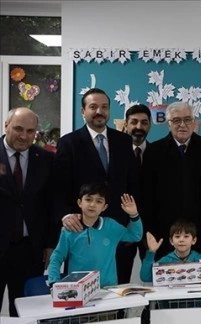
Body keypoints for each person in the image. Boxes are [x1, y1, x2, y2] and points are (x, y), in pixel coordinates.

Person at [46, 182, 141, 324]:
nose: (92, 205)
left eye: (99, 201)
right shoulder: (70, 228)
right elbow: (57, 257)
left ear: (105, 207)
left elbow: (135, 235)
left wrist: (134, 215)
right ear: (79, 202)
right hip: (79, 295)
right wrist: (54, 283)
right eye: (88, 199)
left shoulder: (111, 226)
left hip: (107, 295)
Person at [53, 88, 139, 284]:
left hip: (118, 230)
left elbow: (133, 184)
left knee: (119, 289)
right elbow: (59, 187)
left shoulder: (124, 141)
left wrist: (131, 219)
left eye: (104, 107)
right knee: (81, 291)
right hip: (82, 232)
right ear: (83, 111)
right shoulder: (69, 143)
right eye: (93, 107)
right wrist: (65, 215)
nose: (99, 111)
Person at [142, 102, 201, 260]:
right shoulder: (154, 151)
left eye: (187, 119)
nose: (182, 125)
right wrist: (149, 233)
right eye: (176, 120)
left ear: (194, 122)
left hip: (200, 234)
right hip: (164, 234)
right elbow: (147, 197)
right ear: (168, 124)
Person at [1, 108, 55, 318]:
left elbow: (51, 204)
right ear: (6, 126)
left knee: (26, 313)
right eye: (18, 129)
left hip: (30, 250)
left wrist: (50, 243)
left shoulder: (46, 159)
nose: (24, 136)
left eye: (30, 131)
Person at [122, 103, 151, 270]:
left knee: (153, 277)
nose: (139, 127)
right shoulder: (115, 153)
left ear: (150, 126)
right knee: (121, 276)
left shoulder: (158, 152)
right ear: (126, 124)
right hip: (123, 227)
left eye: (144, 122)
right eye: (134, 122)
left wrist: (149, 229)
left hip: (151, 230)